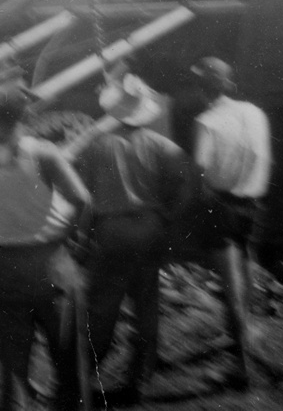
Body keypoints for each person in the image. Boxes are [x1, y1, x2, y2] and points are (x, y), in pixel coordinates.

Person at [0, 71, 92, 411]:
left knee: (14, 365)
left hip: (7, 266)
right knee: (68, 360)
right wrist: (72, 237)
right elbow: (82, 200)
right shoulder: (45, 153)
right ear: (25, 115)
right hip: (51, 262)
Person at [73, 72, 194, 406]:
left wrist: (82, 236)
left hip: (113, 230)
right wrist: (170, 216)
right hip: (150, 228)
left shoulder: (96, 147)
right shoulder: (162, 146)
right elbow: (187, 182)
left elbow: (85, 198)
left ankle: (85, 375)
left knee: (102, 305)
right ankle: (138, 379)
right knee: (146, 302)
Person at [188, 56, 272, 390]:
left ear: (202, 88)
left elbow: (199, 168)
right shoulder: (254, 112)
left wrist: (198, 193)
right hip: (253, 204)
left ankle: (242, 370)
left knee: (231, 290)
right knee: (247, 276)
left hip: (222, 206)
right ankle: (247, 340)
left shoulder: (206, 120)